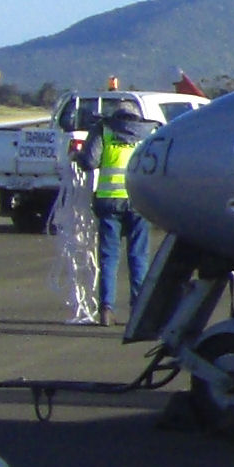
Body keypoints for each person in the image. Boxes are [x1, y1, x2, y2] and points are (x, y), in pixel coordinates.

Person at [81, 112, 155, 323]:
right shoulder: (148, 133)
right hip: (139, 201)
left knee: (108, 257)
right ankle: (138, 309)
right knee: (138, 256)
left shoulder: (103, 129)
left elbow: (89, 161)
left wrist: (77, 157)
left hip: (108, 200)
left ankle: (106, 308)